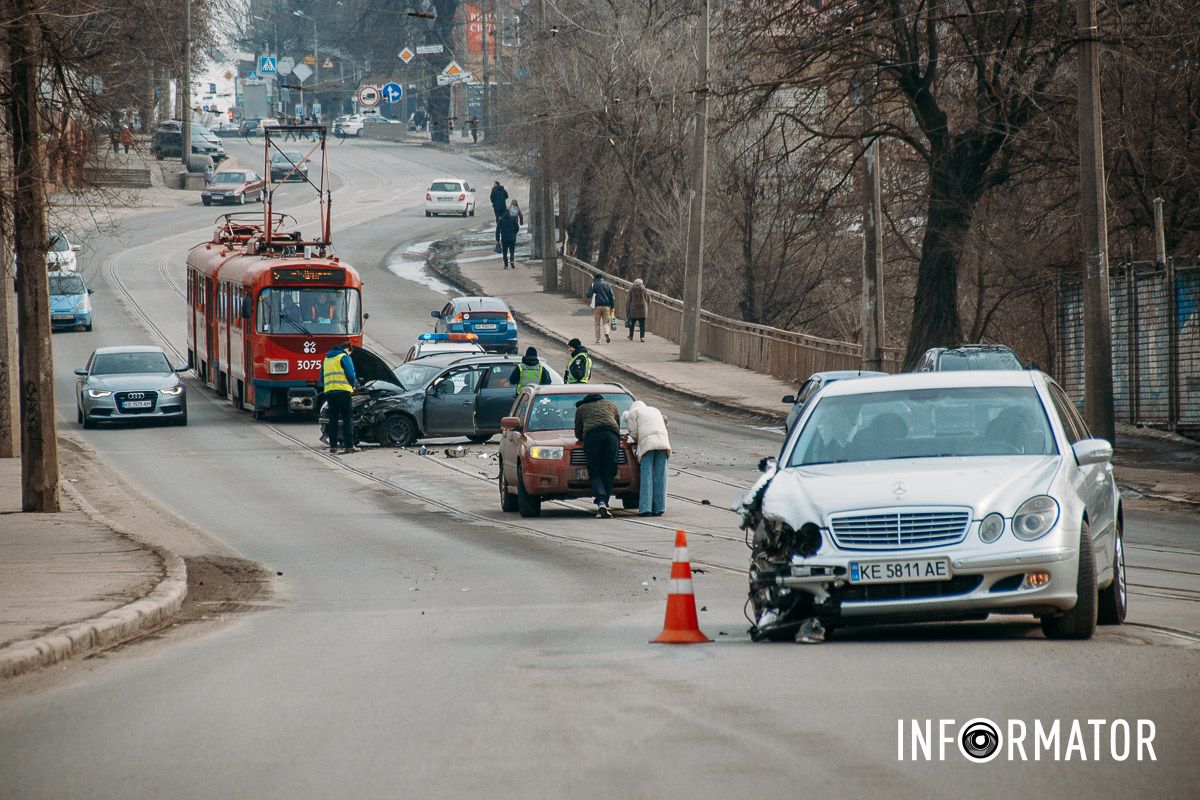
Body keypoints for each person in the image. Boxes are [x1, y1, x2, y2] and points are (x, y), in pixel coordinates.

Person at [574, 393, 621, 518]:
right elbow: (617, 422)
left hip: (593, 436)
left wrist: (581, 438)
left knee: (594, 470)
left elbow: (578, 430)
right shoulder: (611, 405)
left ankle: (600, 500)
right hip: (612, 435)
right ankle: (604, 502)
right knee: (609, 469)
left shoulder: (581, 408)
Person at [622, 400, 671, 516]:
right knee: (661, 475)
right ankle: (659, 508)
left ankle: (646, 508)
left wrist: (630, 438)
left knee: (647, 475)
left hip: (647, 445)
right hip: (663, 443)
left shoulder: (633, 413)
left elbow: (633, 434)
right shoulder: (655, 410)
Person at [320, 341, 359, 455]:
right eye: (349, 353)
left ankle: (333, 446)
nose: (349, 355)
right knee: (347, 419)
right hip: (343, 391)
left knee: (333, 420)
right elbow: (351, 375)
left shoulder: (327, 359)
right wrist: (353, 385)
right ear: (347, 349)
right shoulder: (344, 357)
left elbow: (322, 377)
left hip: (330, 392)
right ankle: (349, 446)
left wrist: (328, 387)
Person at [586, 272, 615, 344]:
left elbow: (588, 295)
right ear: (602, 278)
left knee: (597, 323)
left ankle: (598, 339)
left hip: (597, 306)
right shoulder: (607, 284)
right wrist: (612, 306)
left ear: (595, 278)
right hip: (606, 306)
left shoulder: (594, 284)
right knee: (606, 322)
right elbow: (612, 296)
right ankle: (606, 332)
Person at [498, 201, 521, 269]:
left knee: (504, 252)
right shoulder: (512, 219)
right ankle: (512, 262)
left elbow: (497, 230)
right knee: (512, 251)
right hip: (512, 238)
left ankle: (506, 265)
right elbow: (517, 228)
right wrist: (514, 233)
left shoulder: (501, 220)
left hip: (504, 238)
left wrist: (497, 239)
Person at [625, 278, 648, 342]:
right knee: (642, 324)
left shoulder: (632, 289)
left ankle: (631, 336)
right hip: (642, 309)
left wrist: (627, 309)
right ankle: (642, 337)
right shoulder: (644, 289)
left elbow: (629, 300)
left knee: (632, 323)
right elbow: (648, 298)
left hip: (633, 309)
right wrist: (646, 305)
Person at [490, 181, 509, 247]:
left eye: (494, 184)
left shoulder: (494, 190)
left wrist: (495, 202)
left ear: (496, 185)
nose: (493, 185)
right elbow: (507, 196)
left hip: (497, 208)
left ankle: (498, 237)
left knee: (498, 221)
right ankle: (504, 232)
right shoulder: (503, 190)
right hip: (503, 207)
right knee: (504, 220)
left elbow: (491, 199)